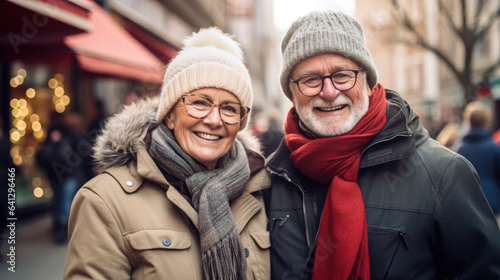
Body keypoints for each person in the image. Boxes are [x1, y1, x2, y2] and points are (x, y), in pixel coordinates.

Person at [264, 10, 500, 280]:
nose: (328, 92)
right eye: (310, 80)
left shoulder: (443, 173)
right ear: (291, 93)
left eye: (343, 75)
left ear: (367, 82)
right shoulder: (270, 181)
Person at [64, 27, 270, 279]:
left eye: (229, 108)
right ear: (169, 115)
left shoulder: (261, 191)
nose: (214, 120)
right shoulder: (105, 200)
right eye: (200, 103)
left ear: (240, 121)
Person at [37, 111, 87, 244]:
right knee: (63, 202)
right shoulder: (59, 133)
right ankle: (61, 228)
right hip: (64, 174)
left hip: (62, 175)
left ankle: (61, 228)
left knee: (62, 202)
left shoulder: (65, 133)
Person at [457, 101, 500, 218]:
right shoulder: (495, 148)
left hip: (469, 201)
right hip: (492, 200)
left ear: (468, 122)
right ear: (485, 123)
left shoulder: (460, 150)